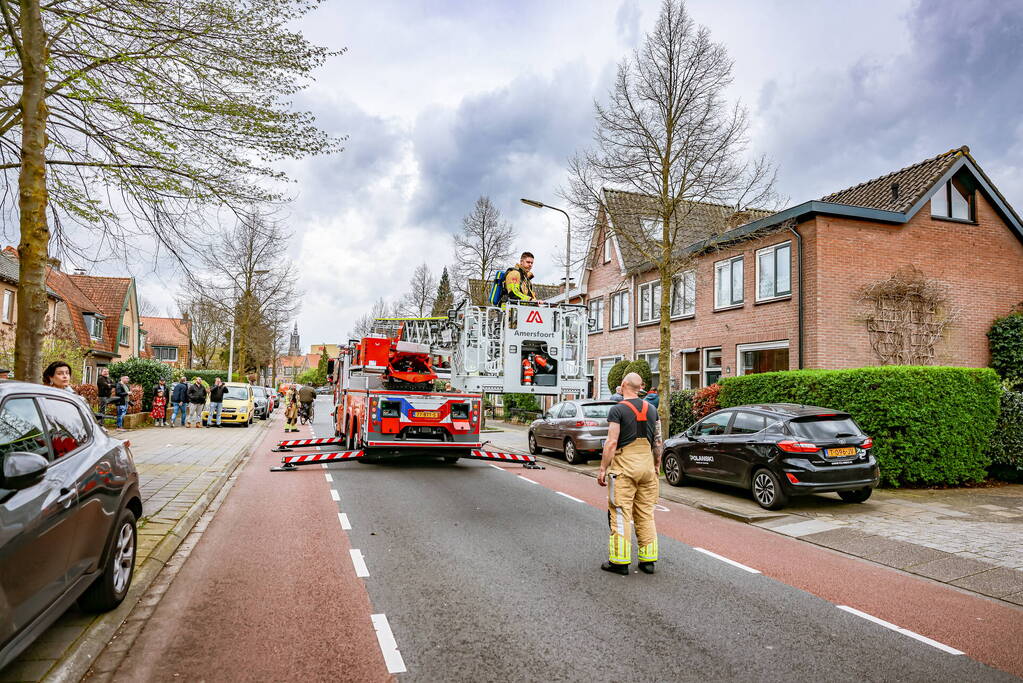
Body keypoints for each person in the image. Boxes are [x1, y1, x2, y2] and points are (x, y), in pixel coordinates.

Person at [598, 372, 662, 576]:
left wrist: (602, 468)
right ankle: (648, 561)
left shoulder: (617, 410)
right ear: (640, 387)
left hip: (624, 468)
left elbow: (611, 442)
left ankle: (619, 561)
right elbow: (658, 441)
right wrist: (657, 464)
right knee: (645, 513)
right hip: (647, 468)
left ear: (624, 385)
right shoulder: (652, 409)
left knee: (620, 512)